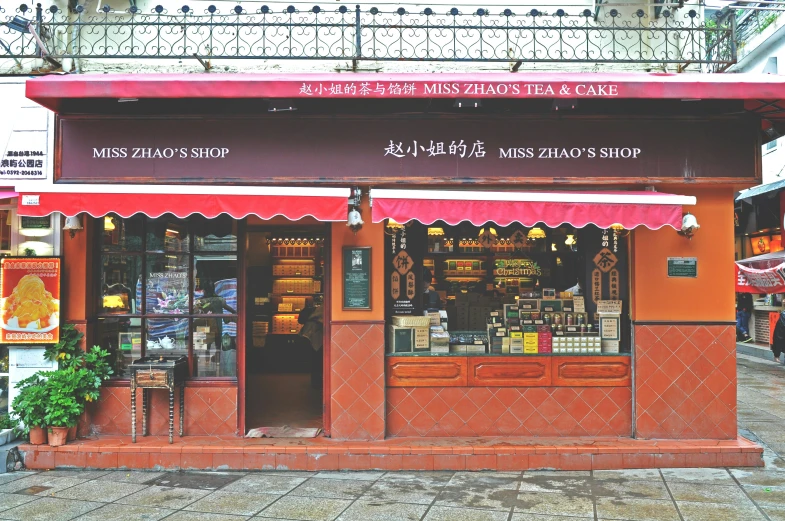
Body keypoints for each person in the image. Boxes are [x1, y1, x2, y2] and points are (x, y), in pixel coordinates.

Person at [299, 300, 324, 388]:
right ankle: (317, 382)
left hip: (309, 336)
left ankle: (315, 381)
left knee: (315, 360)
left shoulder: (317, 309)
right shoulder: (323, 309)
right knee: (317, 360)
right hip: (315, 337)